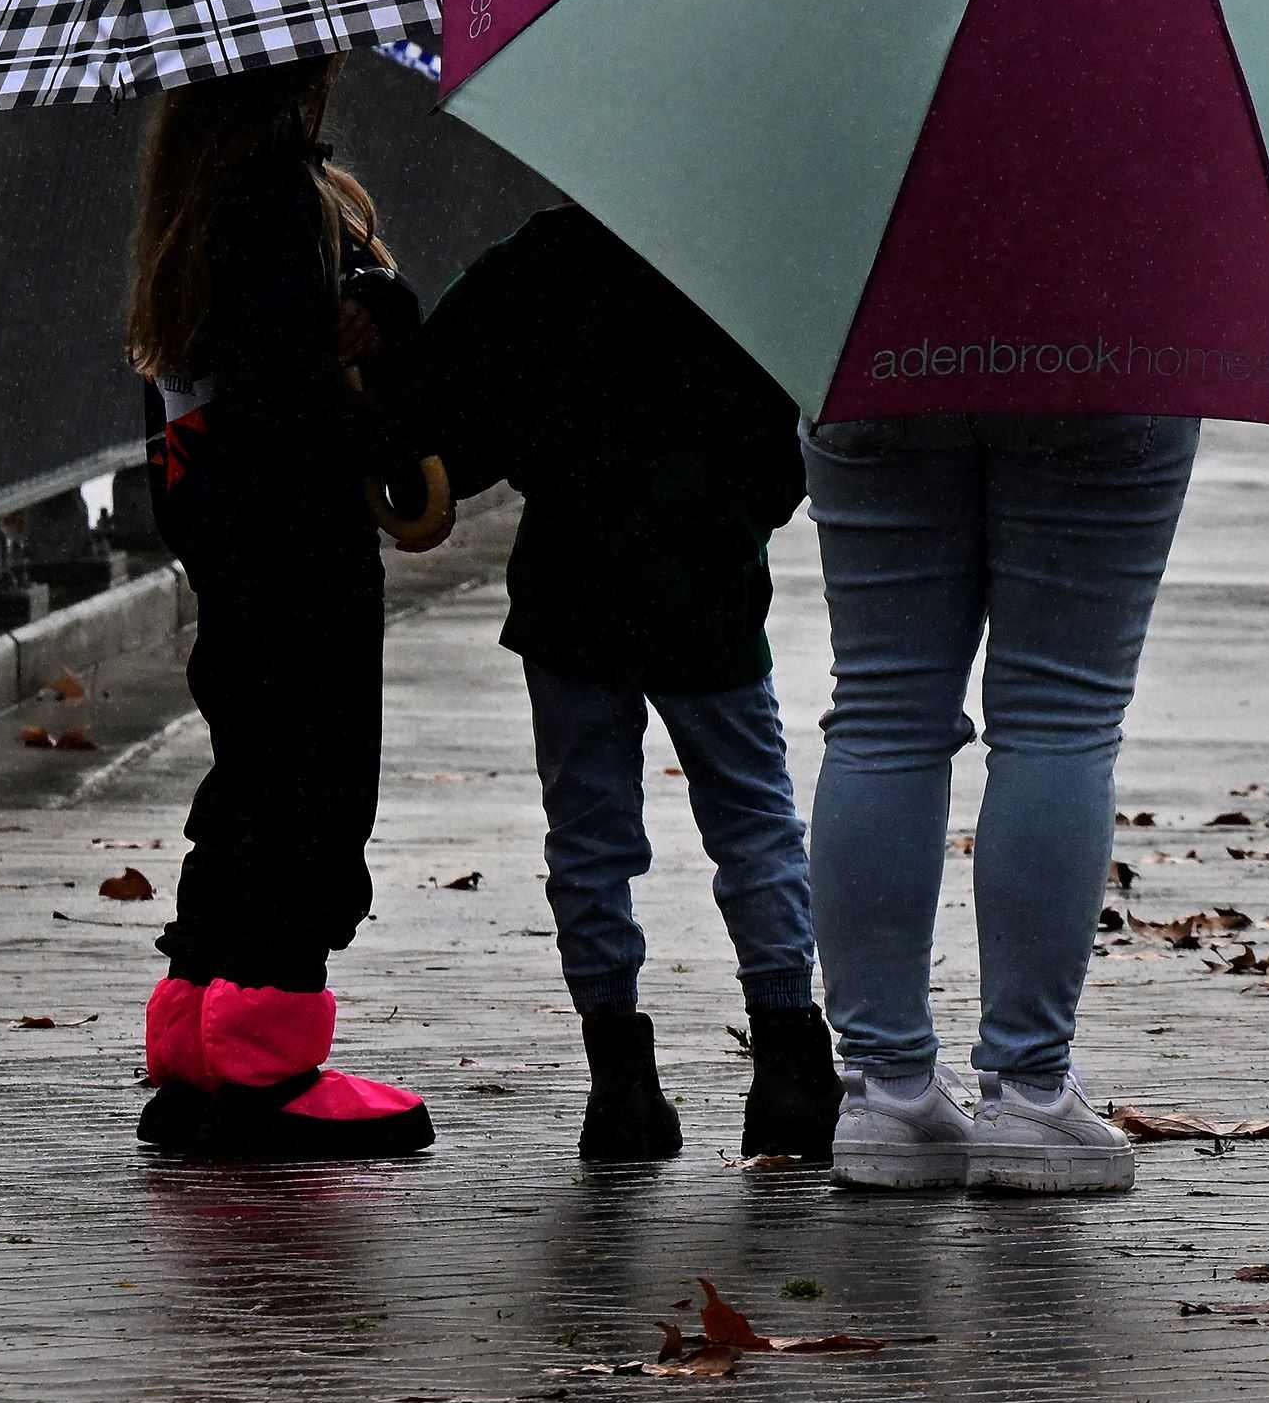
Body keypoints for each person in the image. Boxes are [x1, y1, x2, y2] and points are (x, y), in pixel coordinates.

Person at [424, 203, 832, 1165]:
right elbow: (794, 427)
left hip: (572, 582)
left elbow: (453, 412)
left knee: (590, 837)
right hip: (708, 586)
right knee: (753, 823)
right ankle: (787, 1061)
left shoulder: (542, 256)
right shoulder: (743, 258)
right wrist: (737, 511)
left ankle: (619, 1083)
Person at [124, 60, 442, 1161]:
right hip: (301, 554)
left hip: (233, 558)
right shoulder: (275, 201)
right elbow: (295, 401)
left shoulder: (193, 201)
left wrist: (367, 309)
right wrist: (381, 344)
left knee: (249, 783)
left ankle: (199, 1038)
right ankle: (263, 1060)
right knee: (312, 795)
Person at [798, 412, 1199, 1192]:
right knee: (1060, 715)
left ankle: (886, 1091)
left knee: (884, 710)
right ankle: (1029, 1093)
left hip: (889, 355)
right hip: (1101, 354)